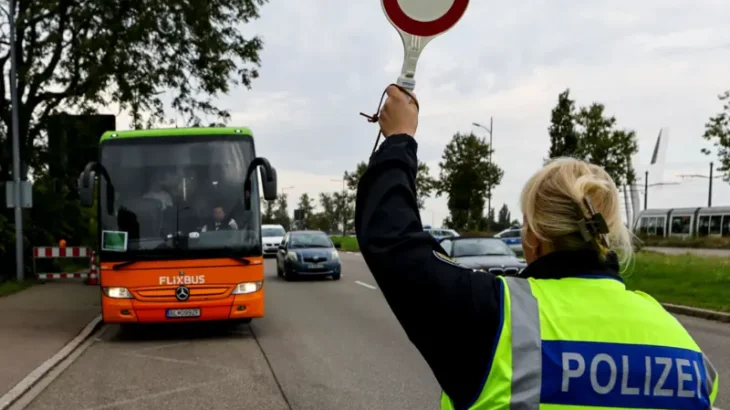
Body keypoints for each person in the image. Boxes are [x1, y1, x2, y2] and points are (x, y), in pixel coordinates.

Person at [354, 85, 719, 410]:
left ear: (536, 237)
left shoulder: (495, 316)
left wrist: (400, 138)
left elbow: (395, 242)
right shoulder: (684, 348)